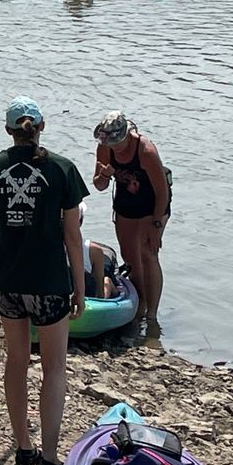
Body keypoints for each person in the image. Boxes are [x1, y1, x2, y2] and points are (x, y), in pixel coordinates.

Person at [0, 97, 89, 465]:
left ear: (8, 131)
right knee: (55, 367)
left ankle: (23, 446)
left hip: (8, 282)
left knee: (16, 361)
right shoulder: (63, 170)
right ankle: (50, 457)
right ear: (43, 127)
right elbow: (73, 238)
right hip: (50, 284)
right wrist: (80, 288)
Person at [93, 111, 171, 334]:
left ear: (127, 134)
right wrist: (105, 175)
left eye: (118, 142)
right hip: (126, 202)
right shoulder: (105, 147)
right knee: (130, 257)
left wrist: (156, 225)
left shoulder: (145, 151)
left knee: (148, 253)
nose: (115, 147)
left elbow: (162, 192)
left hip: (153, 204)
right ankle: (140, 306)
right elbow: (99, 185)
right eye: (110, 142)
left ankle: (152, 315)